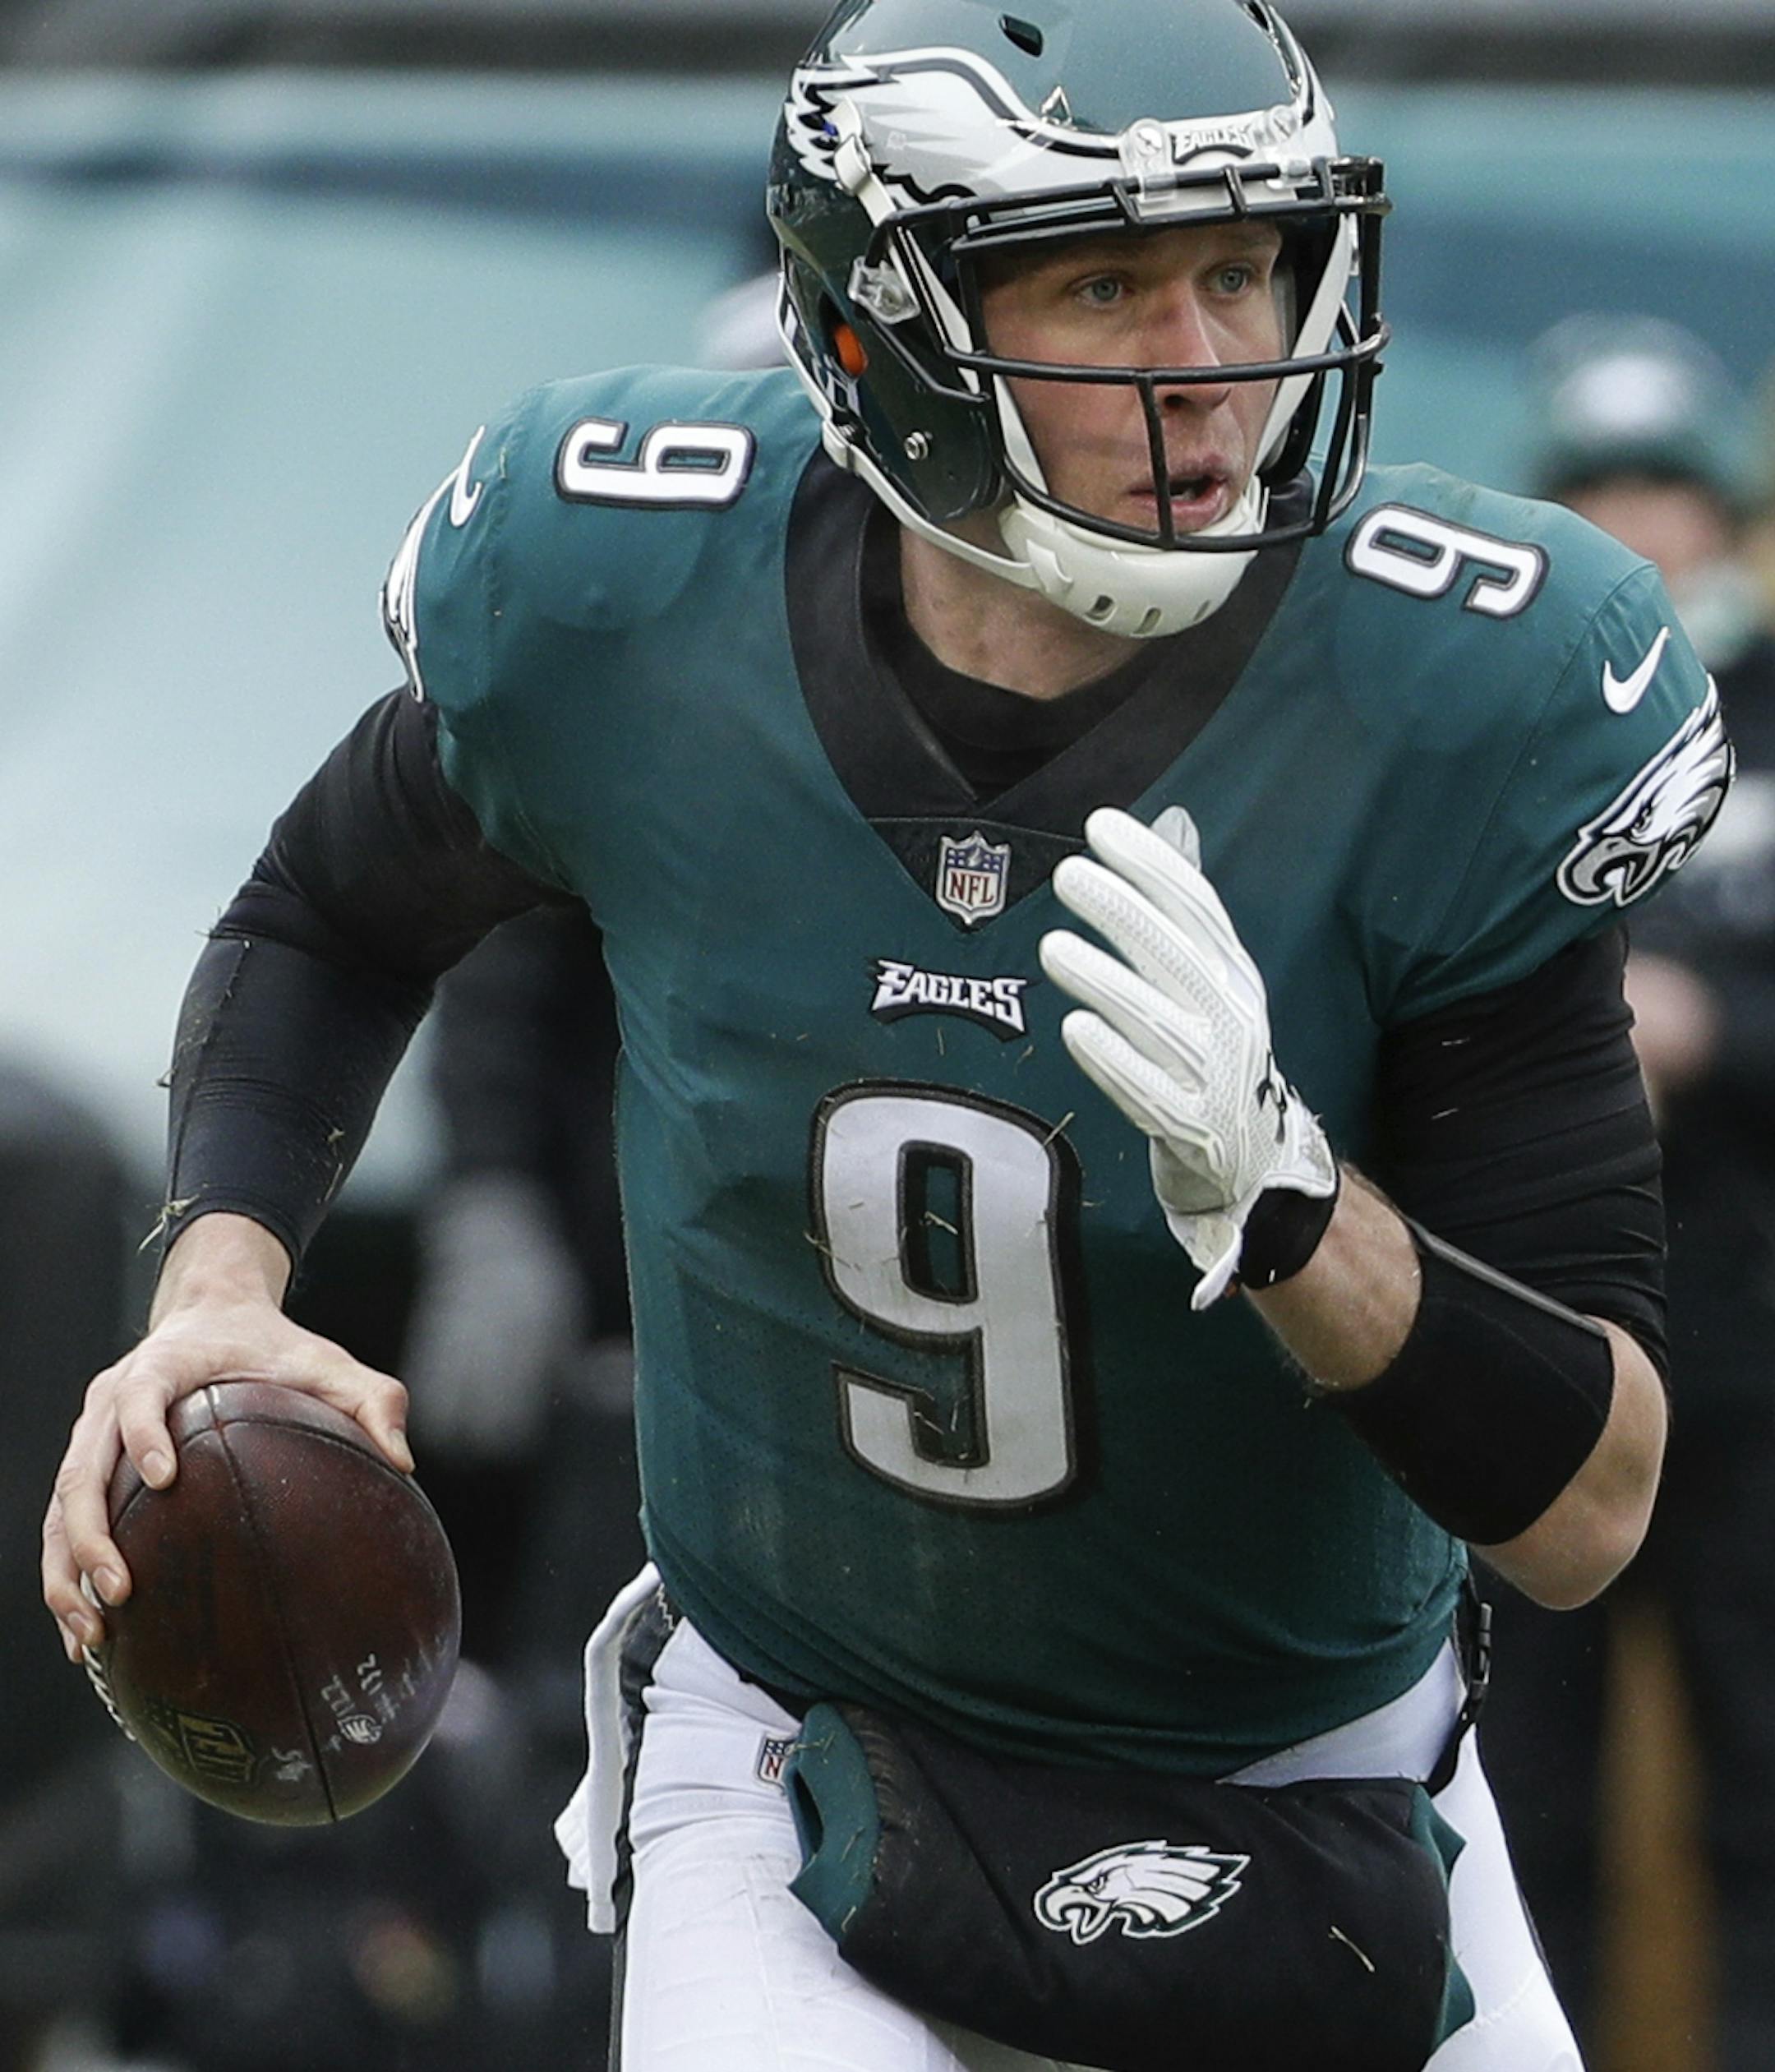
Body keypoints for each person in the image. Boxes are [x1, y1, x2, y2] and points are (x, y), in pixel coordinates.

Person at [42, 3, 1731, 2066]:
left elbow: (1587, 1507)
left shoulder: (1463, 697)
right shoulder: (630, 588)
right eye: (1107, 279)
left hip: (1326, 1786)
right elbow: (325, 907)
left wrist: (1291, 1200)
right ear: (881, 331)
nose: (1210, 361)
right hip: (799, 1761)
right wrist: (219, 1285)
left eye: (1242, 263)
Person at [1482, 317, 1775, 2065]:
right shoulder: (1507, 727)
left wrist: (1718, 1028)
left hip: (1756, 1347)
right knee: (1523, 1805)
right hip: (1540, 1339)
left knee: (1763, 1790)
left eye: (1665, 483)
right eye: (1598, 488)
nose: (1639, 522)